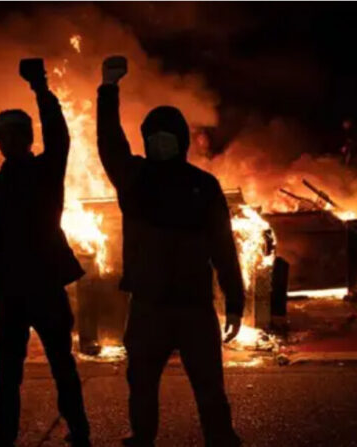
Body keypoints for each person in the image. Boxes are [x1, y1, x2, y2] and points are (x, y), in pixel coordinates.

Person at [96, 55, 245, 447]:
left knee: (209, 387)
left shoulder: (202, 186)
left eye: (166, 136)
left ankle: (221, 438)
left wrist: (235, 301)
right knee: (141, 384)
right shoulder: (136, 178)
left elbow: (223, 249)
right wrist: (108, 89)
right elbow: (110, 144)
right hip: (150, 307)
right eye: (153, 136)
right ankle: (142, 438)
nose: (158, 142)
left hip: (193, 307)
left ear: (179, 141)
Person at [0, 58, 90, 447]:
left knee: (12, 373)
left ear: (7, 141)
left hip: (17, 293)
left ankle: (6, 435)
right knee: (59, 366)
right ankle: (77, 431)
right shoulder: (42, 173)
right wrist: (40, 88)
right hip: (39, 290)